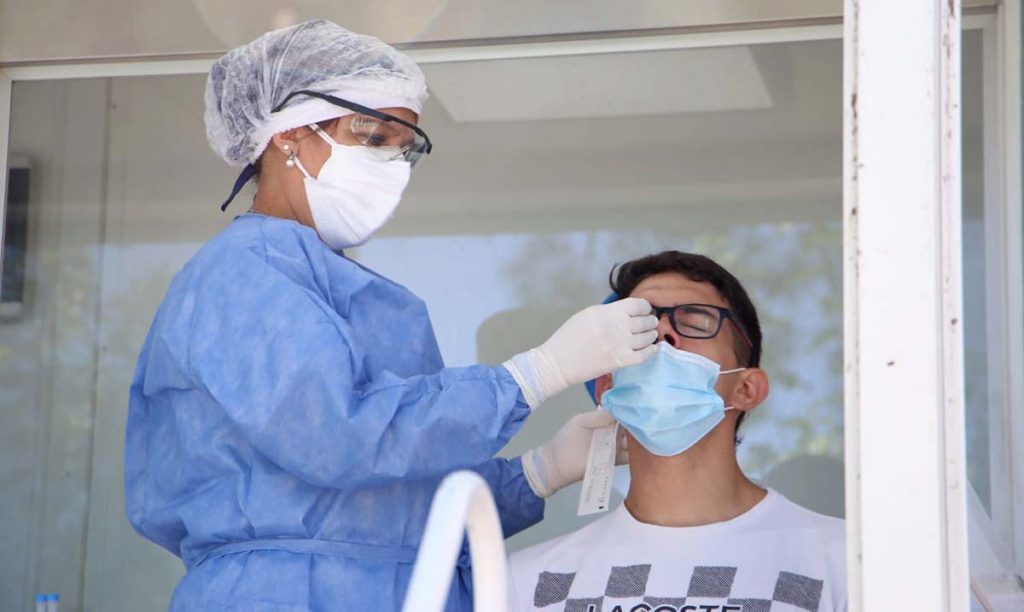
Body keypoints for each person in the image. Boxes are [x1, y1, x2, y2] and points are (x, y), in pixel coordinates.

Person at [124, 20, 659, 611]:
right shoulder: (245, 275)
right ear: (288, 134)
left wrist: (539, 471)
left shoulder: (341, 288)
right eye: (374, 137)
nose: (393, 164)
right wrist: (536, 374)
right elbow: (342, 438)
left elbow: (398, 510)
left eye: (404, 147)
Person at [508, 251, 846, 612]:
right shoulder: (527, 582)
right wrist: (536, 473)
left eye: (695, 322)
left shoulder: (846, 559)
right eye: (641, 325)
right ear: (606, 388)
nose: (663, 333)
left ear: (746, 389)